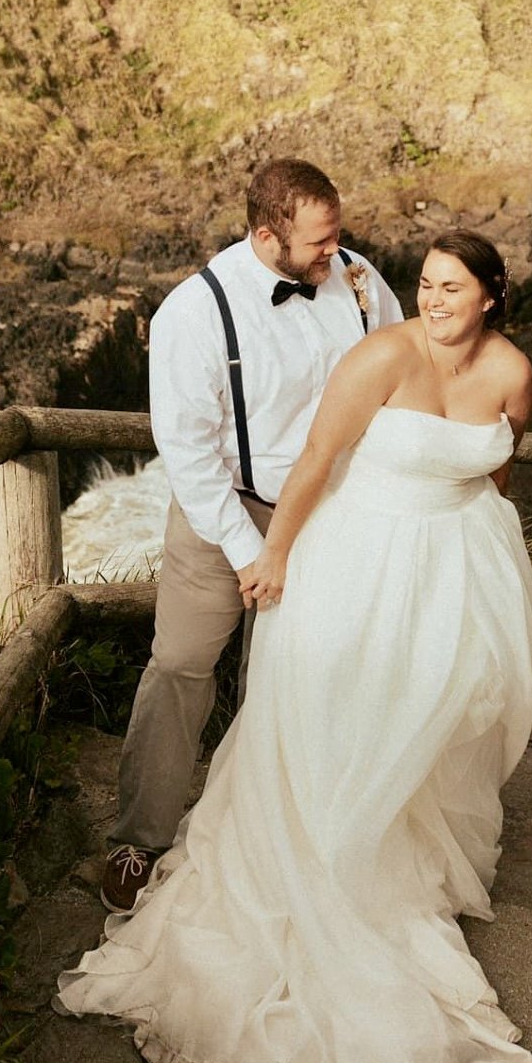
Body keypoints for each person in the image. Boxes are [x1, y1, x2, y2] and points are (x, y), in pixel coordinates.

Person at [58, 231, 532, 1063]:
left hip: (453, 563)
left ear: (491, 296)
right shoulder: (379, 353)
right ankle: (319, 855)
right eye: (425, 284)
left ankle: (400, 837)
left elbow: (498, 465)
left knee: (437, 717)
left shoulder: (514, 373)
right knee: (327, 719)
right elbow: (318, 458)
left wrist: (478, 549)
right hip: (355, 557)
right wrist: (274, 556)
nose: (432, 297)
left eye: (451, 286)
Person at [101, 157, 402, 916]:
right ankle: (139, 838)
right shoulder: (192, 315)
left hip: (334, 516)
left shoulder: (359, 279)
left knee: (318, 673)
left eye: (338, 238)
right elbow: (191, 457)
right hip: (224, 518)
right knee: (180, 665)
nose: (336, 256)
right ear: (268, 235)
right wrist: (250, 553)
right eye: (319, 245)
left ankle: (310, 838)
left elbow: (400, 370)